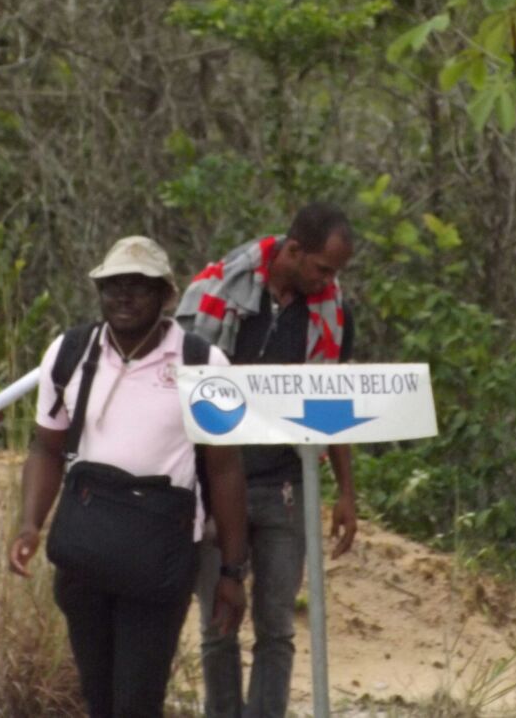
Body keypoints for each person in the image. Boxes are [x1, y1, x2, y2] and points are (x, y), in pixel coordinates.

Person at [8, 236, 247, 718]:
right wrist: (30, 524)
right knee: (98, 697)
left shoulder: (205, 364)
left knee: (138, 700)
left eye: (139, 286)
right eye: (112, 285)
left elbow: (225, 470)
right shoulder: (71, 351)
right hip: (85, 552)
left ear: (165, 296)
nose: (123, 296)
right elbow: (47, 447)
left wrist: (232, 572)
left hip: (161, 558)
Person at [176, 202, 358, 718]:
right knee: (218, 624)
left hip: (285, 485)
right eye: (323, 268)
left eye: (335, 273)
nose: (328, 280)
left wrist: (346, 492)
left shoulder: (331, 313)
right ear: (294, 251)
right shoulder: (216, 294)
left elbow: (331, 403)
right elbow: (181, 393)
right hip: (214, 485)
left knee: (277, 628)